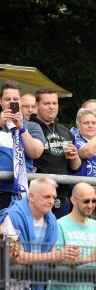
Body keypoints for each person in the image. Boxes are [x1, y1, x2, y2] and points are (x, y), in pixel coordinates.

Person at [30, 87, 81, 217]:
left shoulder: (65, 131)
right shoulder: (30, 128)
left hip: (62, 195)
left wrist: (75, 156)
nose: (52, 107)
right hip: (39, 193)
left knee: (58, 236)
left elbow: (74, 167)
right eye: (47, 103)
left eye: (55, 103)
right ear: (36, 106)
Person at [0, 80, 45, 208]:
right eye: (7, 99)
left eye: (15, 99)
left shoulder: (32, 126)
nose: (11, 102)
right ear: (0, 101)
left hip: (22, 192)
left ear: (20, 102)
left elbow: (35, 152)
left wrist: (21, 128)